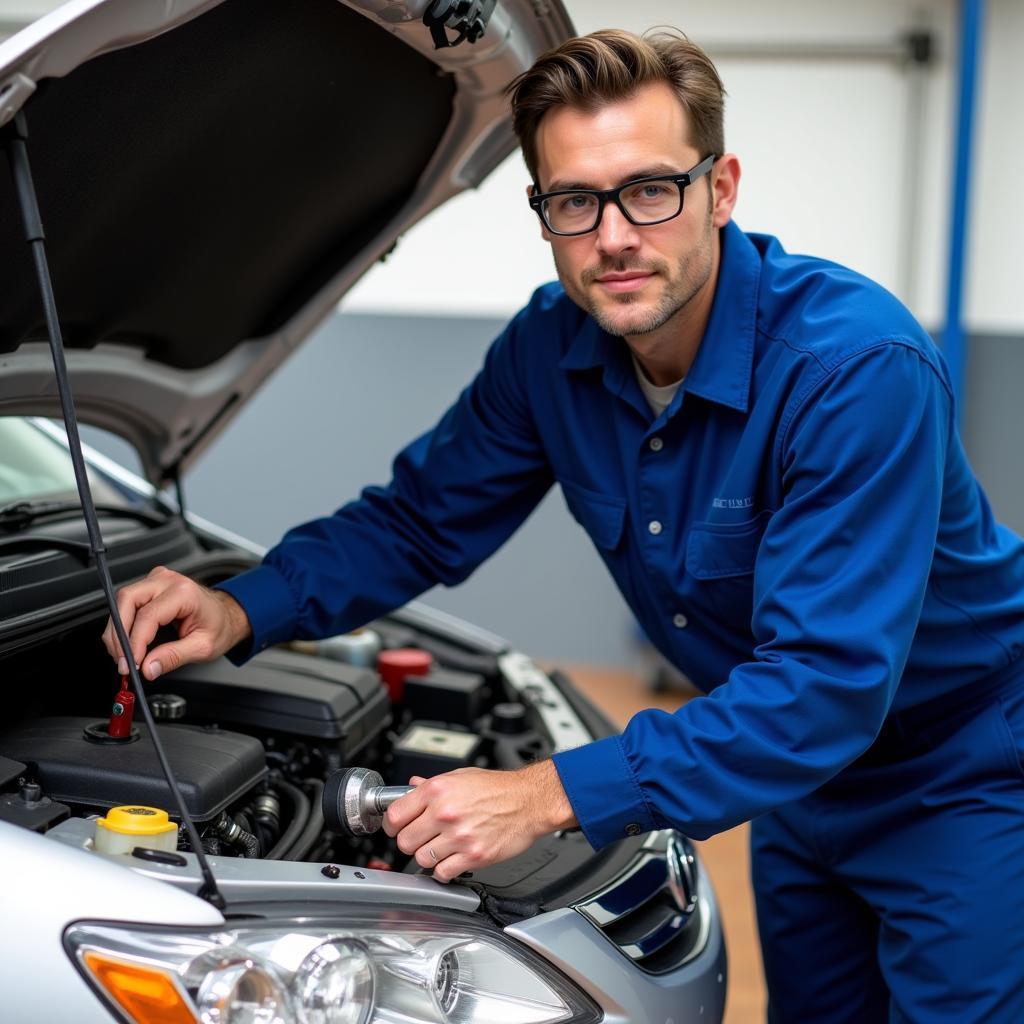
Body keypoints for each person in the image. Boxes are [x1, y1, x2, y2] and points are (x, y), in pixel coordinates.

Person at [104, 28, 1024, 1022]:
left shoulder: (851, 370)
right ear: (543, 214)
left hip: (965, 766)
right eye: (574, 201)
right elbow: (417, 522)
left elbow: (824, 684)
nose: (615, 235)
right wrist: (240, 606)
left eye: (650, 189)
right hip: (798, 786)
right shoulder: (550, 349)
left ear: (720, 189)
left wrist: (547, 792)